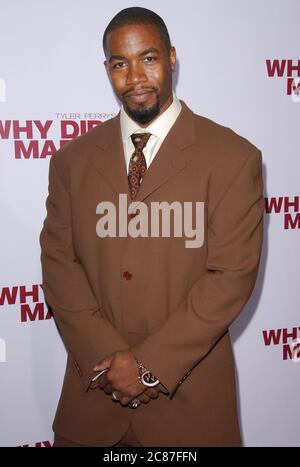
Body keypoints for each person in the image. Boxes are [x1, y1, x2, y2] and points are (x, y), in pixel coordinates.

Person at [39, 6, 264, 447]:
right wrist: (108, 362)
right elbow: (59, 265)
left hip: (192, 410)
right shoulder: (71, 162)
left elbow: (230, 276)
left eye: (148, 58)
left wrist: (148, 367)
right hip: (91, 409)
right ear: (107, 70)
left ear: (172, 58)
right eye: (120, 64)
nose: (135, 77)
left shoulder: (233, 158)